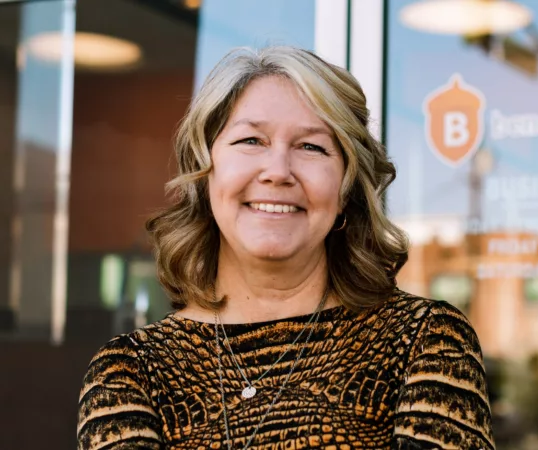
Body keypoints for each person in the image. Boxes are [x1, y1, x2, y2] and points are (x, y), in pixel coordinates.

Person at [77, 46, 495, 450]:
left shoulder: (425, 341)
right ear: (205, 173)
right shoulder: (130, 373)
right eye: (251, 141)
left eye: (311, 147)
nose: (278, 172)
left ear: (346, 188)